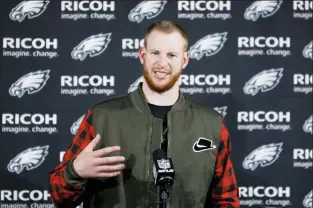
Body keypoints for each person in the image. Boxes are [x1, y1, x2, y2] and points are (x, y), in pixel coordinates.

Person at [49, 20, 240, 208]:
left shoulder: (212, 124)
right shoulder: (102, 117)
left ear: (184, 60)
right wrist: (75, 172)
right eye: (155, 53)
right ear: (142, 55)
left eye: (172, 55)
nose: (162, 63)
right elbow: (59, 197)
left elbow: (226, 200)